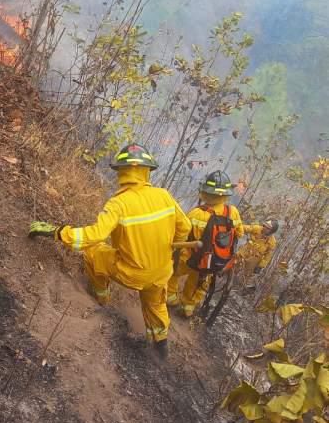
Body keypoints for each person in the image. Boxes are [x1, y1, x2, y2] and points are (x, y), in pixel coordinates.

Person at [29, 143, 191, 359]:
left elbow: (95, 236)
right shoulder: (164, 196)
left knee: (93, 253)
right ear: (147, 170)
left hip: (131, 273)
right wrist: (171, 246)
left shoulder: (118, 203)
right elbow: (186, 227)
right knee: (155, 305)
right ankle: (160, 347)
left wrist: (59, 233)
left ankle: (101, 298)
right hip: (161, 272)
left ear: (121, 172)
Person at [167, 170, 244, 318]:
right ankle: (187, 309)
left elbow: (183, 234)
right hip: (213, 261)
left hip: (189, 258)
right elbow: (239, 233)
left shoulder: (196, 213)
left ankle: (170, 299)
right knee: (197, 284)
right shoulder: (232, 212)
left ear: (206, 192)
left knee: (173, 273)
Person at [237, 218, 278, 286]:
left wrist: (260, 266)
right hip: (244, 251)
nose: (264, 228)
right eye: (264, 225)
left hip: (254, 259)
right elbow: (245, 228)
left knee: (245, 276)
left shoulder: (272, 242)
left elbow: (268, 256)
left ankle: (239, 286)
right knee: (232, 265)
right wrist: (236, 227)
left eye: (267, 228)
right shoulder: (257, 228)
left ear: (271, 231)